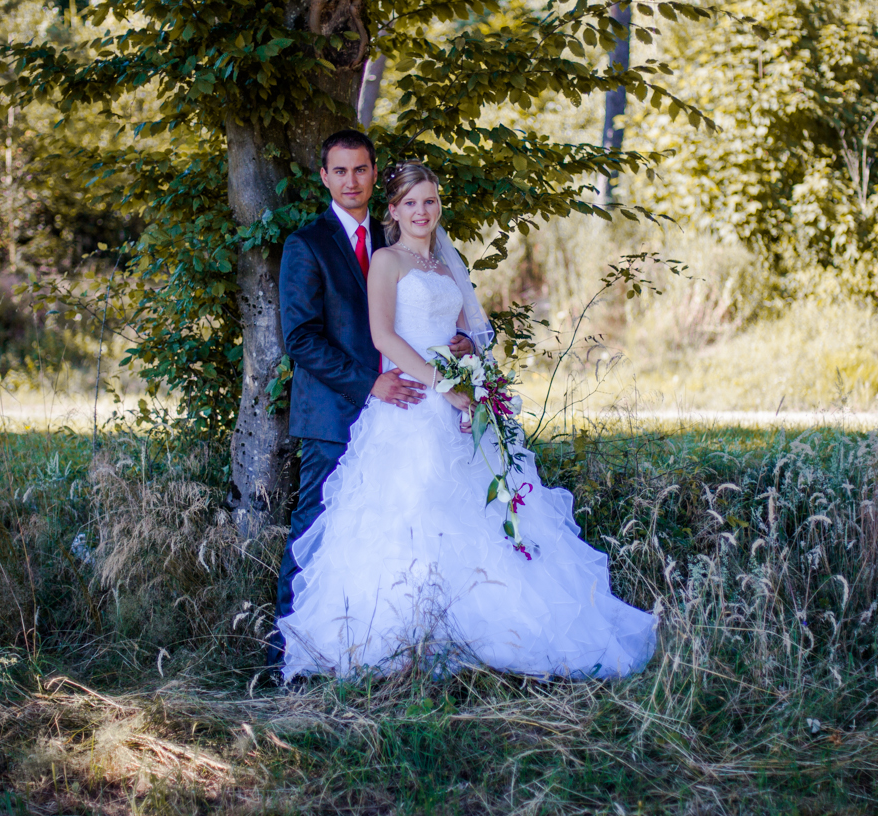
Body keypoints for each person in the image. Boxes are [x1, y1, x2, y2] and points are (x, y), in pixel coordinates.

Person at [276, 160, 658, 680]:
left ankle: (483, 631)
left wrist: (471, 363)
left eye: (430, 201)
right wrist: (444, 386)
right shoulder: (386, 261)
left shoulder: (444, 265)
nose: (422, 211)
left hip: (460, 399)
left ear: (439, 206)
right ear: (394, 210)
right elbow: (384, 337)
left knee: (482, 514)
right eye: (411, 203)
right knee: (413, 513)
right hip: (414, 398)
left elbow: (467, 333)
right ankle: (401, 640)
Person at [272, 131, 473, 667]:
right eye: (339, 171)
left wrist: (461, 341)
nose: (351, 180)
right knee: (318, 528)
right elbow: (301, 338)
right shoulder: (307, 244)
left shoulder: (401, 238)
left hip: (408, 408)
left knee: (404, 529)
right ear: (324, 177)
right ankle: (288, 652)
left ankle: (398, 641)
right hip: (336, 410)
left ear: (373, 173)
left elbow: (426, 318)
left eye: (360, 169)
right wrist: (369, 383)